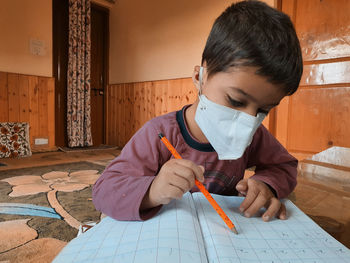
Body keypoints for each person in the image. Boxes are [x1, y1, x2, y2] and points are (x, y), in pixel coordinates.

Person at [92, 0, 303, 222]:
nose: (248, 120)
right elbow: (104, 190)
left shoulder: (255, 135)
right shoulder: (158, 133)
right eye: (235, 100)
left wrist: (267, 184)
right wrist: (152, 191)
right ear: (199, 78)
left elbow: (284, 165)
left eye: (263, 109)